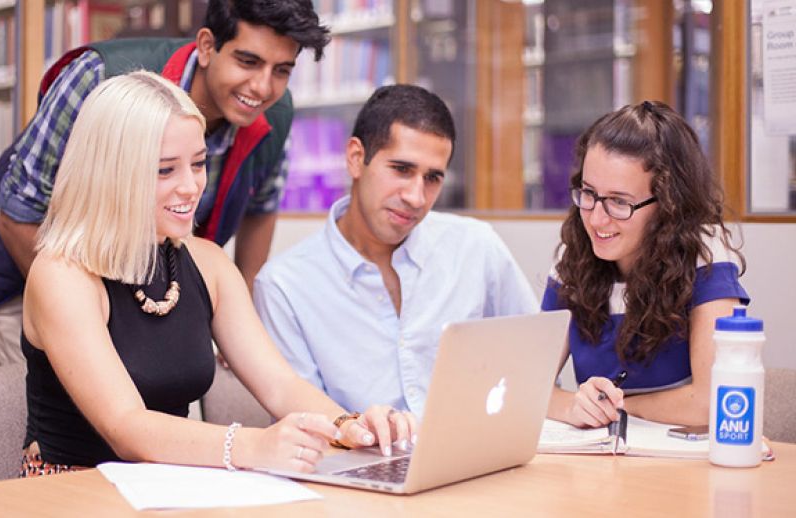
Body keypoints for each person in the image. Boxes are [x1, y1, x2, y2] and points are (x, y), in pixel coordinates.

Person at [20, 71, 414, 476]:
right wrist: (253, 444)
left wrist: (350, 428)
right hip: (71, 489)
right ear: (112, 174)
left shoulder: (207, 264)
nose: (192, 187)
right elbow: (126, 427)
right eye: (165, 170)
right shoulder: (61, 275)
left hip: (167, 483)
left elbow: (280, 385)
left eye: (198, 163)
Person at [0, 0, 330, 365]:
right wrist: (91, 319)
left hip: (154, 296)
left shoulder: (274, 113)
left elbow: (260, 208)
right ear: (207, 46)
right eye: (247, 62)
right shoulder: (97, 77)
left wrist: (243, 314)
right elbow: (17, 215)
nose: (263, 87)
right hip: (34, 276)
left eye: (281, 70)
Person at [252, 85, 538, 417]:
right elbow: (306, 429)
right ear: (356, 159)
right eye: (402, 170)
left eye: (432, 178)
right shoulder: (284, 287)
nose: (416, 197)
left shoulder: (476, 247)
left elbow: (534, 365)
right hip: (354, 464)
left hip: (479, 460)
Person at [542, 100, 749, 428]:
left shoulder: (705, 254)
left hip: (679, 465)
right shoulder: (573, 258)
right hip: (595, 465)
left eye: (619, 202)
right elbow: (528, 387)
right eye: (589, 193)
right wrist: (574, 407)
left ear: (668, 205)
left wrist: (619, 407)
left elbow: (711, 401)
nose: (596, 219)